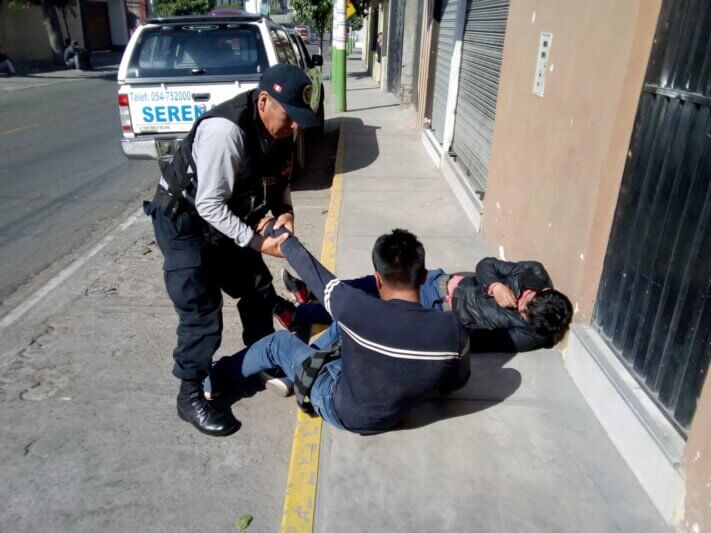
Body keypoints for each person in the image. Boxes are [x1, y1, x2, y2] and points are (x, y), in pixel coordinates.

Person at [143, 64, 321, 437]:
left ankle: (260, 357)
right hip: (186, 223)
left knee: (258, 290)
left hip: (226, 218)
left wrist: (285, 212)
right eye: (290, 117)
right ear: (263, 101)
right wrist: (259, 242)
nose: (295, 127)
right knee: (201, 311)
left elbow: (280, 183)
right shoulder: (225, 133)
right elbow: (208, 205)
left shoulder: (284, 129)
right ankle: (189, 395)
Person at [209, 228, 471, 434]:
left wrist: (285, 241)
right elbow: (454, 384)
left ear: (378, 279)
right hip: (396, 413)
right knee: (342, 330)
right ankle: (294, 376)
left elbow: (318, 278)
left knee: (277, 343)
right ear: (424, 276)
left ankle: (211, 378)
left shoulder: (359, 310)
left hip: (339, 406)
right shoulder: (452, 330)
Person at [282, 257, 573, 354]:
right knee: (368, 285)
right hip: (438, 281)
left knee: (364, 316)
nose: (519, 305)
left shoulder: (532, 334)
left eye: (523, 313)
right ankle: (307, 311)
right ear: (543, 290)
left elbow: (478, 341)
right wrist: (495, 286)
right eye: (526, 300)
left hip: (436, 311)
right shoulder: (532, 273)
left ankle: (303, 357)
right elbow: (487, 265)